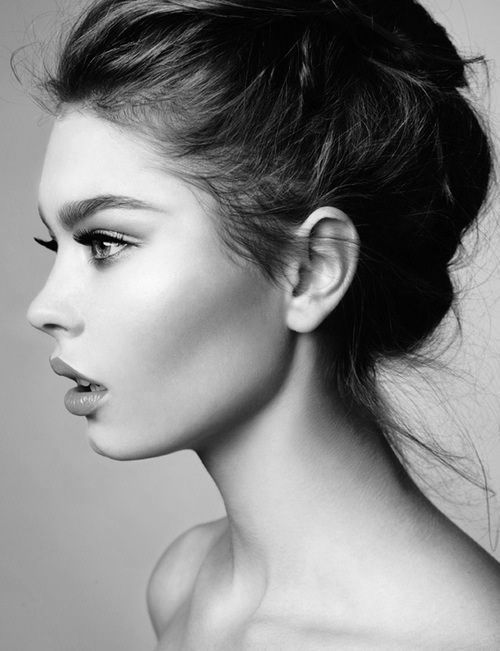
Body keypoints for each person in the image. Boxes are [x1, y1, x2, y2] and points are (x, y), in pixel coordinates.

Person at [25, 0, 500, 648]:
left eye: (105, 241)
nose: (43, 307)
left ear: (311, 269)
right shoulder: (185, 584)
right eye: (57, 246)